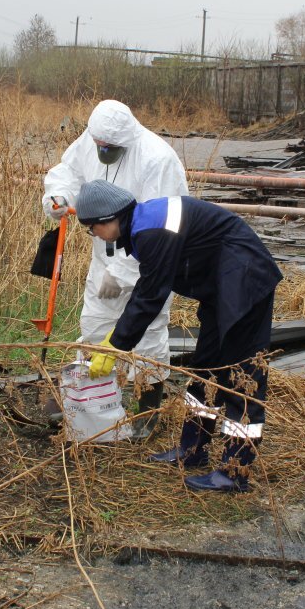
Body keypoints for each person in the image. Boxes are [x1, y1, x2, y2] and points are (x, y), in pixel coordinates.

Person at [73, 180, 282, 492]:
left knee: (242, 376)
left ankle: (234, 472)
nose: (95, 236)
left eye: (92, 229)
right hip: (221, 288)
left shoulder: (152, 229)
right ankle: (192, 449)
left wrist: (115, 344)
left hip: (245, 282)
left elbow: (150, 295)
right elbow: (150, 289)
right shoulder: (144, 223)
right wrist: (115, 342)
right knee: (205, 368)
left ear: (107, 220)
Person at [42, 100, 188, 436]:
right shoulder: (91, 140)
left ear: (125, 138)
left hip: (147, 262)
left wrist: (123, 272)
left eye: (110, 148)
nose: (102, 151)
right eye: (99, 146)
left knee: (148, 332)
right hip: (102, 253)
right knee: (94, 325)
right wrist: (59, 196)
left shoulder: (157, 158)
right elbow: (69, 170)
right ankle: (88, 405)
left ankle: (147, 409)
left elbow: (163, 229)